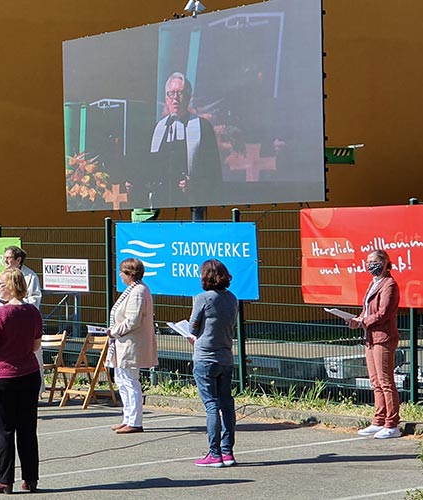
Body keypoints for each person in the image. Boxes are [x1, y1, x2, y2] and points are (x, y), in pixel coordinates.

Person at [0, 268, 43, 494]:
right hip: (28, 374)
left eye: (1, 284)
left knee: (4, 430)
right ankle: (31, 478)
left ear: (11, 286)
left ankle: (5, 480)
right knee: (28, 428)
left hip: (2, 376)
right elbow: (36, 345)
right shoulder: (32, 312)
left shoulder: (0, 314)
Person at [142, 72, 222, 212]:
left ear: (189, 97)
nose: (175, 99)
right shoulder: (157, 128)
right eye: (171, 94)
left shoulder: (203, 127)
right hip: (162, 205)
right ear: (166, 99)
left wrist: (194, 185)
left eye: (180, 93)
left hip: (191, 203)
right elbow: (150, 167)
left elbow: (213, 171)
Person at [188, 259, 238, 468]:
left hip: (205, 357)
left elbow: (192, 328)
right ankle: (227, 452)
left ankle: (214, 453)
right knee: (227, 404)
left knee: (211, 406)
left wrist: (195, 334)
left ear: (205, 277)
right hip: (225, 357)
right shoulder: (233, 298)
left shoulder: (203, 298)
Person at [349, 250, 401, 439]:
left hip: (383, 338)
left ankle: (392, 424)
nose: (369, 264)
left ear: (385, 262)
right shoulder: (374, 283)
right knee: (375, 382)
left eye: (373, 261)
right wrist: (357, 319)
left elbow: (383, 313)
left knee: (386, 382)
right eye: (368, 261)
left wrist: (364, 321)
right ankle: (378, 420)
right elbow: (367, 310)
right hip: (370, 338)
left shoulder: (390, 284)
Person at [108, 258, 158, 434]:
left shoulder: (138, 291)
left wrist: (114, 330)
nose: (120, 275)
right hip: (123, 344)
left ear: (130, 274)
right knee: (122, 380)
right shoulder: (133, 290)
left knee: (130, 381)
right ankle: (127, 418)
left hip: (131, 344)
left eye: (122, 272)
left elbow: (133, 320)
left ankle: (135, 421)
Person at [3, 245, 45, 399]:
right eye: (5, 257)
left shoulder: (30, 276)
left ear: (18, 260)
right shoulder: (3, 275)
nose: (6, 261)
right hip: (7, 323)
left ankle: (36, 392)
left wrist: (16, 302)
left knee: (33, 355)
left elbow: (34, 299)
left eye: (9, 258)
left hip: (25, 322)